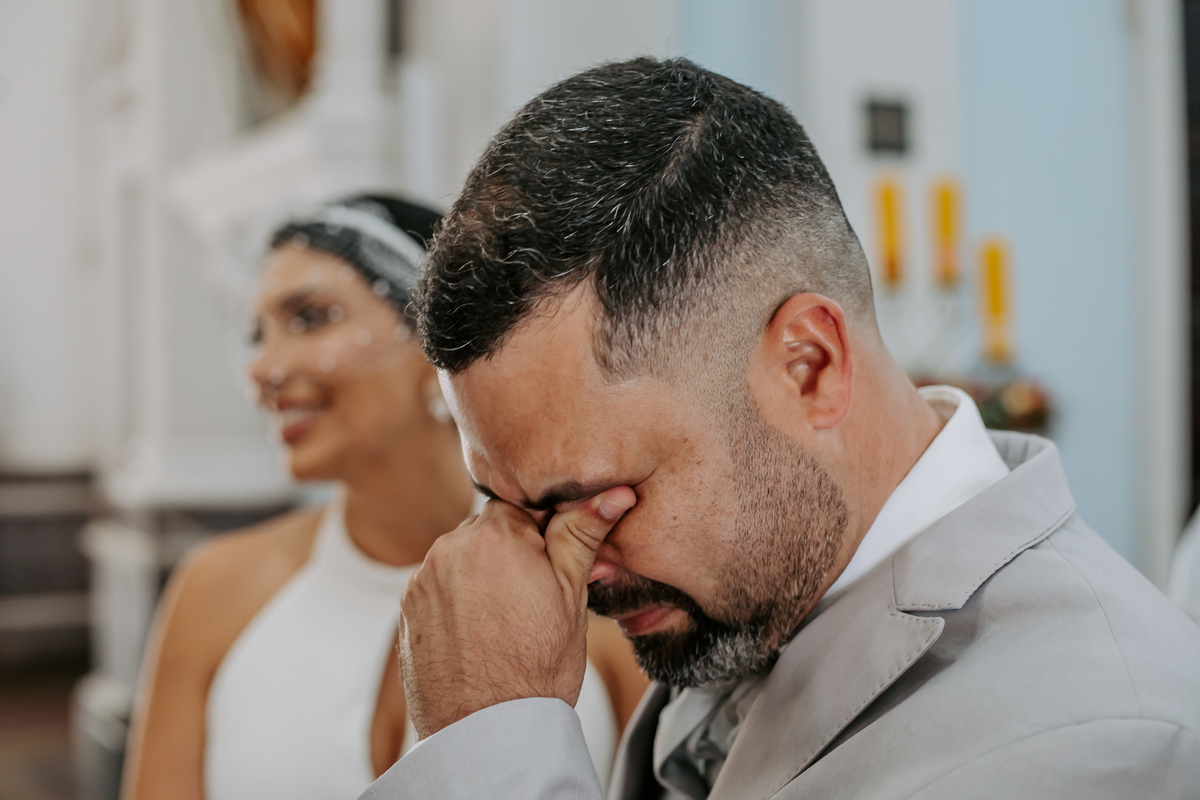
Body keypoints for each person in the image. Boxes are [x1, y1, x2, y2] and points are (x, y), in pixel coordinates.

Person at [361, 59, 1200, 800]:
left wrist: (491, 750)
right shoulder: (752, 593)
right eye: (505, 506)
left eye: (594, 501)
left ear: (809, 366)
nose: (564, 573)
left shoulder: (1108, 741)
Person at [120, 195, 649, 800]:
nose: (262, 368)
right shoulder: (215, 591)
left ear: (437, 344)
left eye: (310, 318)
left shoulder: (588, 593)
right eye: (256, 334)